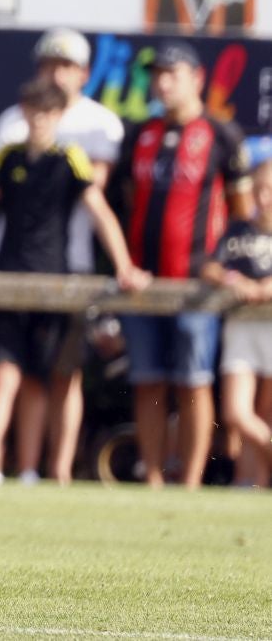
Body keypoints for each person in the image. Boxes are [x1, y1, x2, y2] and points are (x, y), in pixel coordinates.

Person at [0, 78, 149, 487]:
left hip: (53, 280)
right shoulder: (5, 157)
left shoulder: (71, 158)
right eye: (33, 111)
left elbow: (100, 211)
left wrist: (124, 265)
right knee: (2, 374)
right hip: (6, 276)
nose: (39, 120)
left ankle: (30, 470)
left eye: (48, 113)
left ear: (58, 117)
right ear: (23, 112)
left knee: (40, 378)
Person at [111, 41, 251, 489]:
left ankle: (190, 482)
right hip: (143, 283)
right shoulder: (139, 134)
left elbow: (242, 215)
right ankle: (151, 478)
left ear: (197, 78)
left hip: (197, 286)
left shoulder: (222, 134)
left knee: (193, 382)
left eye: (172, 73)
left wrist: (220, 267)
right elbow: (128, 200)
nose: (162, 82)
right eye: (157, 74)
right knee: (149, 382)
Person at [0, 27, 123, 484]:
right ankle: (15, 466)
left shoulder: (101, 123)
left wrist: (121, 263)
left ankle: (59, 470)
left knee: (65, 374)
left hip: (72, 262)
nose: (56, 73)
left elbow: (94, 196)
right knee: (14, 371)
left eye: (65, 66)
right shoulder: (11, 120)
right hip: (10, 261)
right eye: (49, 64)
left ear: (83, 73)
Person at [202, 160, 272, 488]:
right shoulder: (237, 230)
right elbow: (210, 268)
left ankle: (253, 482)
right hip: (241, 329)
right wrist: (234, 280)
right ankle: (248, 479)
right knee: (236, 413)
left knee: (267, 411)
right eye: (260, 189)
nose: (265, 198)